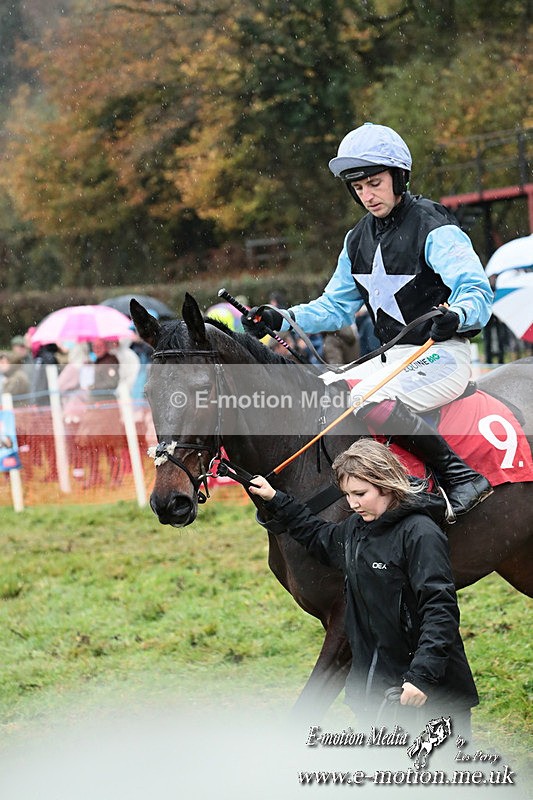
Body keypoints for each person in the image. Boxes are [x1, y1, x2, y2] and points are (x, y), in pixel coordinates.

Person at [242, 123, 494, 518]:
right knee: (320, 391)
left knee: (363, 398)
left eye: (375, 183)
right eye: (359, 188)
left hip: (441, 354)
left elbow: (477, 292)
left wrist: (458, 314)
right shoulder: (356, 238)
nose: (367, 196)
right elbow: (335, 307)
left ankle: (460, 477)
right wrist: (283, 318)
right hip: (391, 359)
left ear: (400, 177)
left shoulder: (434, 227)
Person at [249, 438, 479, 737]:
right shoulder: (357, 529)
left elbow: (440, 609)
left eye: (360, 493)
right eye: (347, 495)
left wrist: (422, 676)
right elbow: (319, 536)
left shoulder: (421, 534)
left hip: (427, 695)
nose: (352, 503)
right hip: (374, 694)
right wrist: (275, 499)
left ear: (387, 484)